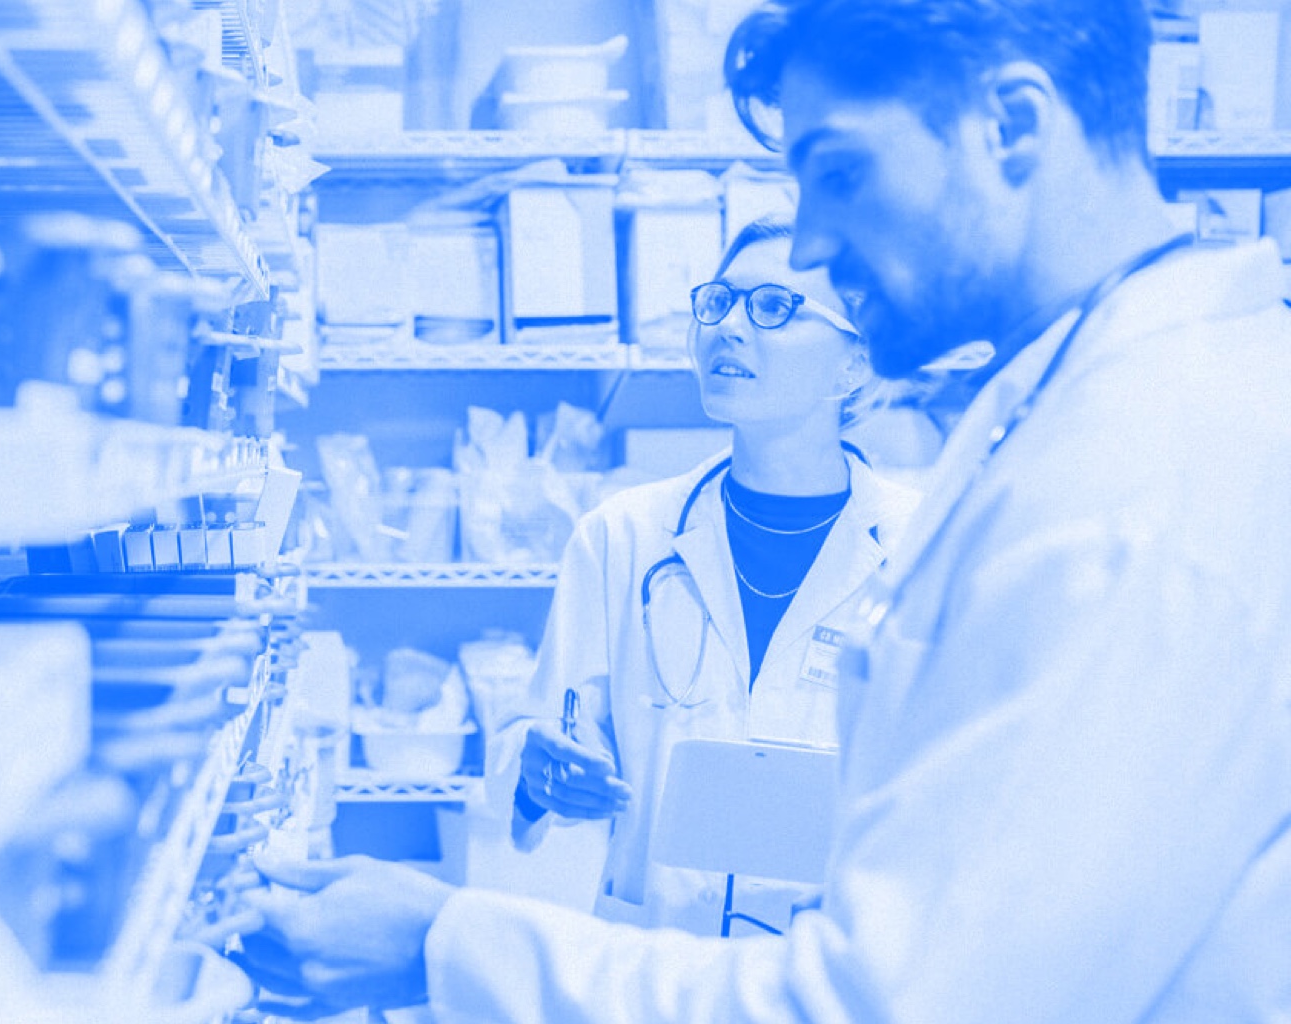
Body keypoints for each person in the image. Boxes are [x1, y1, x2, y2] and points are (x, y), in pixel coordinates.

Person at [239, 2, 1291, 1021]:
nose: (813, 242)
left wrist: (441, 942)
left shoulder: (1150, 476)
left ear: (1011, 125)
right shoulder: (1086, 408)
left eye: (840, 172)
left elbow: (888, 1003)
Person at [493, 215, 919, 937]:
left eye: (774, 308)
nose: (729, 328)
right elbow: (542, 734)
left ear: (854, 363)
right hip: (655, 964)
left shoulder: (920, 546)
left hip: (830, 966)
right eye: (719, 302)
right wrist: (539, 775)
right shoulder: (622, 537)